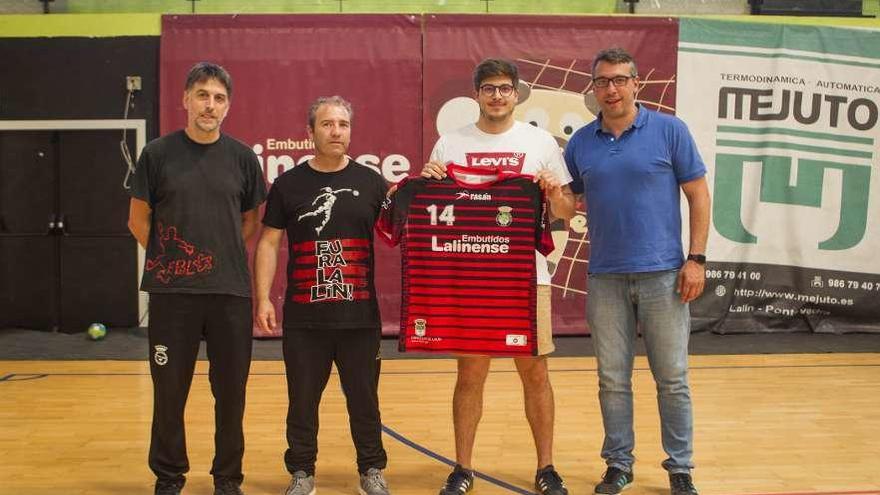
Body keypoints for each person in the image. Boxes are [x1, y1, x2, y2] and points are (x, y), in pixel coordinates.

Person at [420, 58, 573, 495]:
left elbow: (566, 212)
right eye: (489, 88)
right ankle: (462, 468)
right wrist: (430, 179)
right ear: (477, 94)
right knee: (469, 374)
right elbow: (433, 211)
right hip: (470, 280)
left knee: (536, 374)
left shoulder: (540, 141)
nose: (498, 95)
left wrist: (553, 191)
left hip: (526, 278)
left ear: (517, 92)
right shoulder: (449, 144)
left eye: (505, 88)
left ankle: (546, 468)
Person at [562, 47, 711, 495]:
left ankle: (680, 468)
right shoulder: (581, 142)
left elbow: (699, 195)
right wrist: (549, 190)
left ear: (636, 83)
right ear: (593, 89)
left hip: (665, 275)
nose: (611, 89)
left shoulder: (669, 130)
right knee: (612, 379)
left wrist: (696, 258)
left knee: (672, 379)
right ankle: (618, 465)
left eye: (620, 79)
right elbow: (568, 204)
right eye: (602, 81)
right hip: (605, 277)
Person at [127, 62, 267, 495]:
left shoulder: (243, 158)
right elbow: (137, 221)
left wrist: (213, 259)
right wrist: (176, 262)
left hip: (229, 294)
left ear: (228, 106)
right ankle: (169, 478)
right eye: (203, 95)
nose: (210, 105)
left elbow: (250, 224)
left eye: (219, 98)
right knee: (169, 395)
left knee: (231, 397)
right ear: (185, 100)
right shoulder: (157, 154)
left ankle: (227, 478)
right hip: (173, 297)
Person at [254, 96, 390, 495]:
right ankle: (301, 472)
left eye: (343, 124)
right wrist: (262, 298)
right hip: (304, 320)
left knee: (364, 401)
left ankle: (371, 470)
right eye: (327, 124)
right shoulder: (288, 185)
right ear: (309, 132)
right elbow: (268, 243)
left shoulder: (371, 182)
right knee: (301, 402)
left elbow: (402, 231)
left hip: (360, 319)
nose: (336, 131)